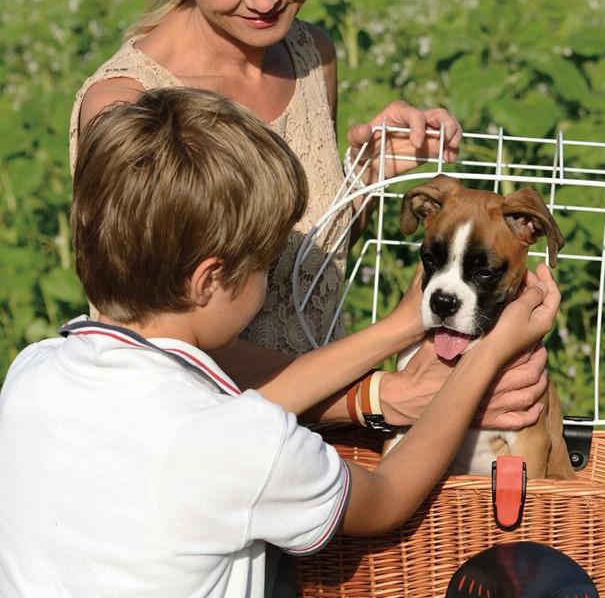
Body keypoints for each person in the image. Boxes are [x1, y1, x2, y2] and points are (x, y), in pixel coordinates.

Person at [68, 0, 548, 435]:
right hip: (203, 444)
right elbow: (154, 342)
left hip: (319, 435)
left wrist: (368, 179)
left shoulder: (308, 55)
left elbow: (305, 263)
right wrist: (374, 398)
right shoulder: (128, 108)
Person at [0, 88, 561, 598]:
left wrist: (399, 327)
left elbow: (246, 395)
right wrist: (489, 351)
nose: (270, 279)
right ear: (208, 281)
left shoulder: (34, 371)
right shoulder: (252, 445)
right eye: (267, 264)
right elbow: (388, 495)